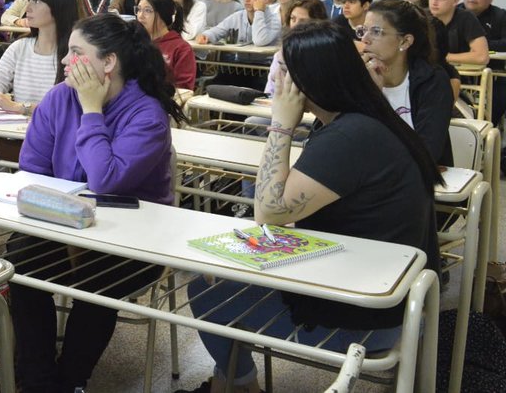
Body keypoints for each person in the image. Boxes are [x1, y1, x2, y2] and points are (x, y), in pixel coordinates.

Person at [178, 20, 439, 393]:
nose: (275, 80)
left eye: (283, 70)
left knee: (207, 292)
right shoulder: (364, 120)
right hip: (379, 295)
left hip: (365, 318)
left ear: (311, 80)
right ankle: (227, 381)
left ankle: (238, 385)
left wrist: (281, 125)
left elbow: (268, 214)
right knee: (222, 271)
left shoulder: (351, 134)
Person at [12, 14, 182, 393]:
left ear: (108, 63)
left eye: (75, 52)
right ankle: (39, 383)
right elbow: (31, 171)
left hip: (132, 242)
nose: (63, 61)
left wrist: (92, 109)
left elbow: (105, 180)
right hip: (64, 225)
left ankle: (72, 380)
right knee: (21, 260)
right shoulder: (58, 98)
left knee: (99, 278)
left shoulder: (146, 114)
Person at [361, 0, 454, 165]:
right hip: (364, 173)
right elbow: (335, 135)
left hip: (416, 178)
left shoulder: (432, 81)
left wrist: (376, 98)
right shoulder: (359, 75)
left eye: (376, 31)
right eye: (363, 31)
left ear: (405, 41)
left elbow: (428, 152)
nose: (365, 40)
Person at [0, 0, 77, 119]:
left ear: (58, 7)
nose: (28, 8)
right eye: (29, 1)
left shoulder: (75, 54)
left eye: (36, 2)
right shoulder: (19, 47)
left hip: (56, 137)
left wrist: (19, 108)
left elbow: (71, 111)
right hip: (17, 134)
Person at [460, 0, 506, 123]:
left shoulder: (500, 15)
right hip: (459, 72)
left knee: (501, 92)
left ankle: (488, 131)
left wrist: (478, 44)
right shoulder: (455, 13)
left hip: (493, 72)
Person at [264, 0, 328, 96]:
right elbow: (269, 92)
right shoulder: (280, 55)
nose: (295, 25)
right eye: (293, 19)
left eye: (303, 21)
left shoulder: (325, 55)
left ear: (318, 23)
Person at [136, 0, 196, 91]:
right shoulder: (135, 41)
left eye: (147, 10)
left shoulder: (182, 49)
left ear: (163, 15)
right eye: (138, 9)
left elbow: (184, 89)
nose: (140, 16)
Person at [195, 0, 280, 47]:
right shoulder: (238, 16)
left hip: (264, 65)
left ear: (265, 0)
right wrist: (206, 35)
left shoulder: (275, 20)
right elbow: (218, 30)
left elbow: (260, 41)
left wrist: (259, 11)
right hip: (237, 63)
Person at [429, 0, 489, 66]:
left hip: (460, 74)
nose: (434, 2)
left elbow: (482, 57)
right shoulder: (421, 16)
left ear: (455, 1)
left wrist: (442, 57)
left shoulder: (466, 18)